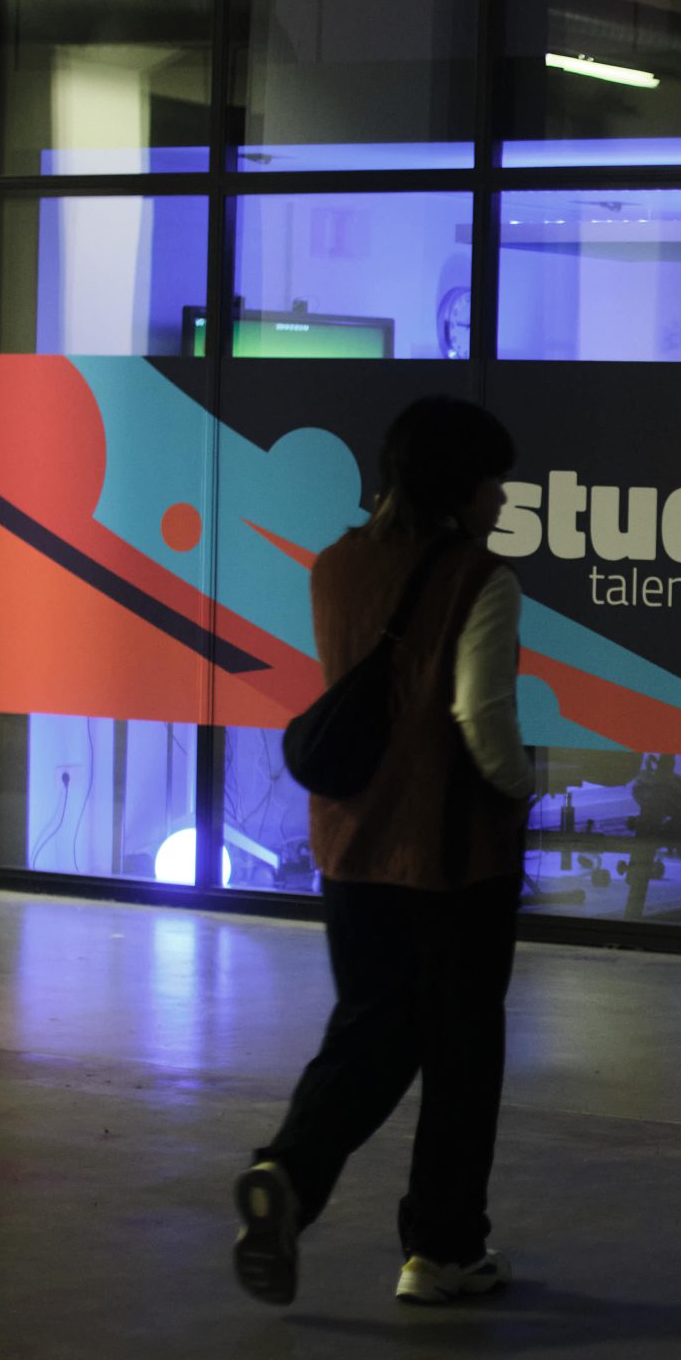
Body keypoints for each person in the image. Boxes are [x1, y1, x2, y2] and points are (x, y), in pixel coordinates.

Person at [233, 395, 535, 1308]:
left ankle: (288, 1171)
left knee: (371, 1025)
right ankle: (442, 1249)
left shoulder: (335, 565)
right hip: (452, 852)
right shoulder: (482, 577)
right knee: (462, 1050)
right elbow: (479, 712)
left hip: (350, 842)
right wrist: (523, 784)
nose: (500, 498)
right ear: (461, 484)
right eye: (493, 480)